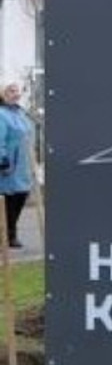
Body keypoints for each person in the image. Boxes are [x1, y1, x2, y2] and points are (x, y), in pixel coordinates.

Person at [0, 81, 34, 249]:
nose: (15, 94)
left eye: (17, 91)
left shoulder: (21, 113)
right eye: (11, 91)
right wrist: (2, 159)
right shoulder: (1, 114)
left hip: (23, 164)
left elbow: (29, 135)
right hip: (9, 165)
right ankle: (7, 235)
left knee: (21, 195)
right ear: (3, 94)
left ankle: (9, 233)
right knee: (9, 200)